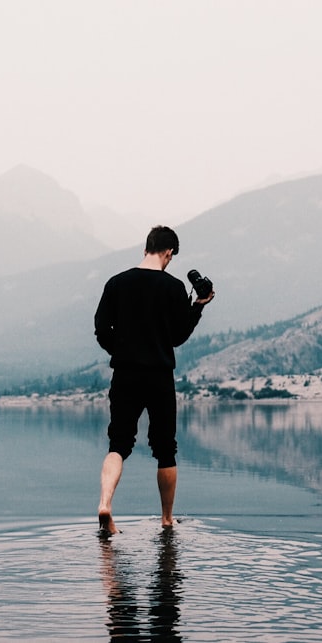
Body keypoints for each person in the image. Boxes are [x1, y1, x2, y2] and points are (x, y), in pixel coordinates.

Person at [94, 225, 214, 536]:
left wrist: (121, 351)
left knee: (118, 444)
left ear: (146, 248)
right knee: (165, 449)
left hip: (125, 375)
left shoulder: (116, 283)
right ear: (169, 252)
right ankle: (166, 519)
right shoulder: (173, 287)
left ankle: (105, 503)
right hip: (160, 376)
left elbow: (100, 329)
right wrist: (198, 307)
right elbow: (178, 336)